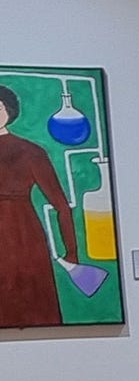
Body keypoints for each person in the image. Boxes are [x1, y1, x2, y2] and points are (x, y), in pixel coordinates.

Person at [0, 83, 79, 328]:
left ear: (9, 111)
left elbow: (61, 205)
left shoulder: (30, 152)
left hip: (23, 236)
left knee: (30, 302)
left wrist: (72, 251)